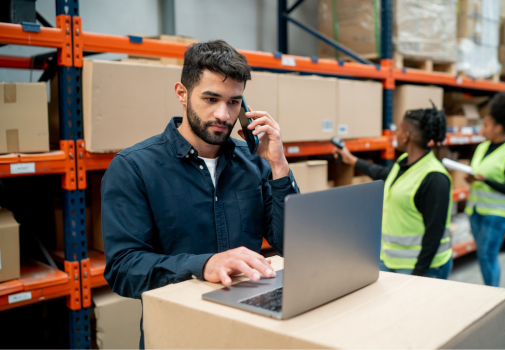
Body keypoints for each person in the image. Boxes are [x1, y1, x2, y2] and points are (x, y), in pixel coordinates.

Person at [101, 40, 299, 347]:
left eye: (234, 102)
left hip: (249, 328)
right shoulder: (134, 167)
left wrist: (278, 165)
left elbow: (290, 243)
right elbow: (123, 269)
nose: (223, 114)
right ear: (182, 93)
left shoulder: (254, 163)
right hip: (179, 334)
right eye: (211, 98)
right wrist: (203, 265)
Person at [334, 105, 453, 279]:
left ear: (406, 136)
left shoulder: (434, 177)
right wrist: (352, 160)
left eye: (398, 129)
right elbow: (383, 174)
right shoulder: (405, 162)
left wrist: (418, 275)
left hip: (422, 269)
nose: (395, 134)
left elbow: (434, 233)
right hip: (392, 261)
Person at [465, 92, 505, 287]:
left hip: (497, 214)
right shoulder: (482, 147)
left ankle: (493, 296)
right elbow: (478, 172)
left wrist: (484, 179)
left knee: (488, 256)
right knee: (483, 256)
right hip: (476, 211)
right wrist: (471, 178)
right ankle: (490, 292)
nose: (483, 129)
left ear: (498, 128)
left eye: (487, 125)